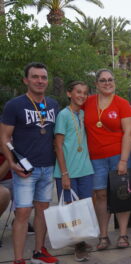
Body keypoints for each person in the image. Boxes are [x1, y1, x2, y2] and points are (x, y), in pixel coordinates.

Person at [1, 62, 59, 264]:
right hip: (25, 169)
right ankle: (18, 258)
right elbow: (5, 138)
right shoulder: (14, 105)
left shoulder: (53, 104)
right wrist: (12, 162)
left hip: (48, 166)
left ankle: (39, 253)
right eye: (35, 77)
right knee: (23, 212)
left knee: (42, 210)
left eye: (43, 77)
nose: (40, 81)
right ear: (26, 80)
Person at [83, 69, 131, 250]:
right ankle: (103, 235)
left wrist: (123, 160)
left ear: (114, 82)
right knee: (100, 196)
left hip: (118, 156)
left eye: (110, 80)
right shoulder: (88, 102)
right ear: (96, 84)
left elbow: (129, 132)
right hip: (95, 158)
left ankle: (122, 234)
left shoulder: (122, 104)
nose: (107, 83)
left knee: (121, 195)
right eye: (103, 80)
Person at [53, 81, 94, 261]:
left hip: (85, 169)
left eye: (85, 93)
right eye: (78, 92)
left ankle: (81, 241)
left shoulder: (84, 114)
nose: (82, 96)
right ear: (69, 94)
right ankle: (79, 246)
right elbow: (58, 145)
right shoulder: (63, 114)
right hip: (68, 171)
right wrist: (64, 173)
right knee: (71, 211)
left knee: (84, 209)